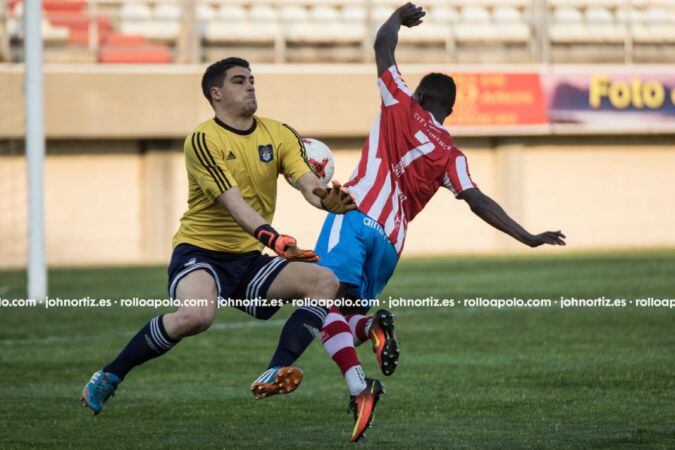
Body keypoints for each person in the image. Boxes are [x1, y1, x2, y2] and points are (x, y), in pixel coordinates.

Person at [307, 3, 567, 442]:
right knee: (346, 310)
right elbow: (476, 199)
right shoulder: (451, 153)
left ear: (424, 98)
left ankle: (360, 386)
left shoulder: (401, 106)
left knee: (316, 304)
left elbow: (382, 47)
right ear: (449, 109)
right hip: (390, 244)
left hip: (354, 216)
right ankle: (370, 331)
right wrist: (527, 237)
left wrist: (396, 17)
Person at [80, 57, 356, 415]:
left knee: (324, 281)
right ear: (216, 93)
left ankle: (274, 370)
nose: (251, 86)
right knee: (196, 317)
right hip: (200, 253)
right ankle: (110, 376)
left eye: (252, 80)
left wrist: (325, 199)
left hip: (247, 258)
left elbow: (306, 182)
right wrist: (274, 240)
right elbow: (234, 204)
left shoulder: (280, 133)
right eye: (240, 81)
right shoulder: (202, 140)